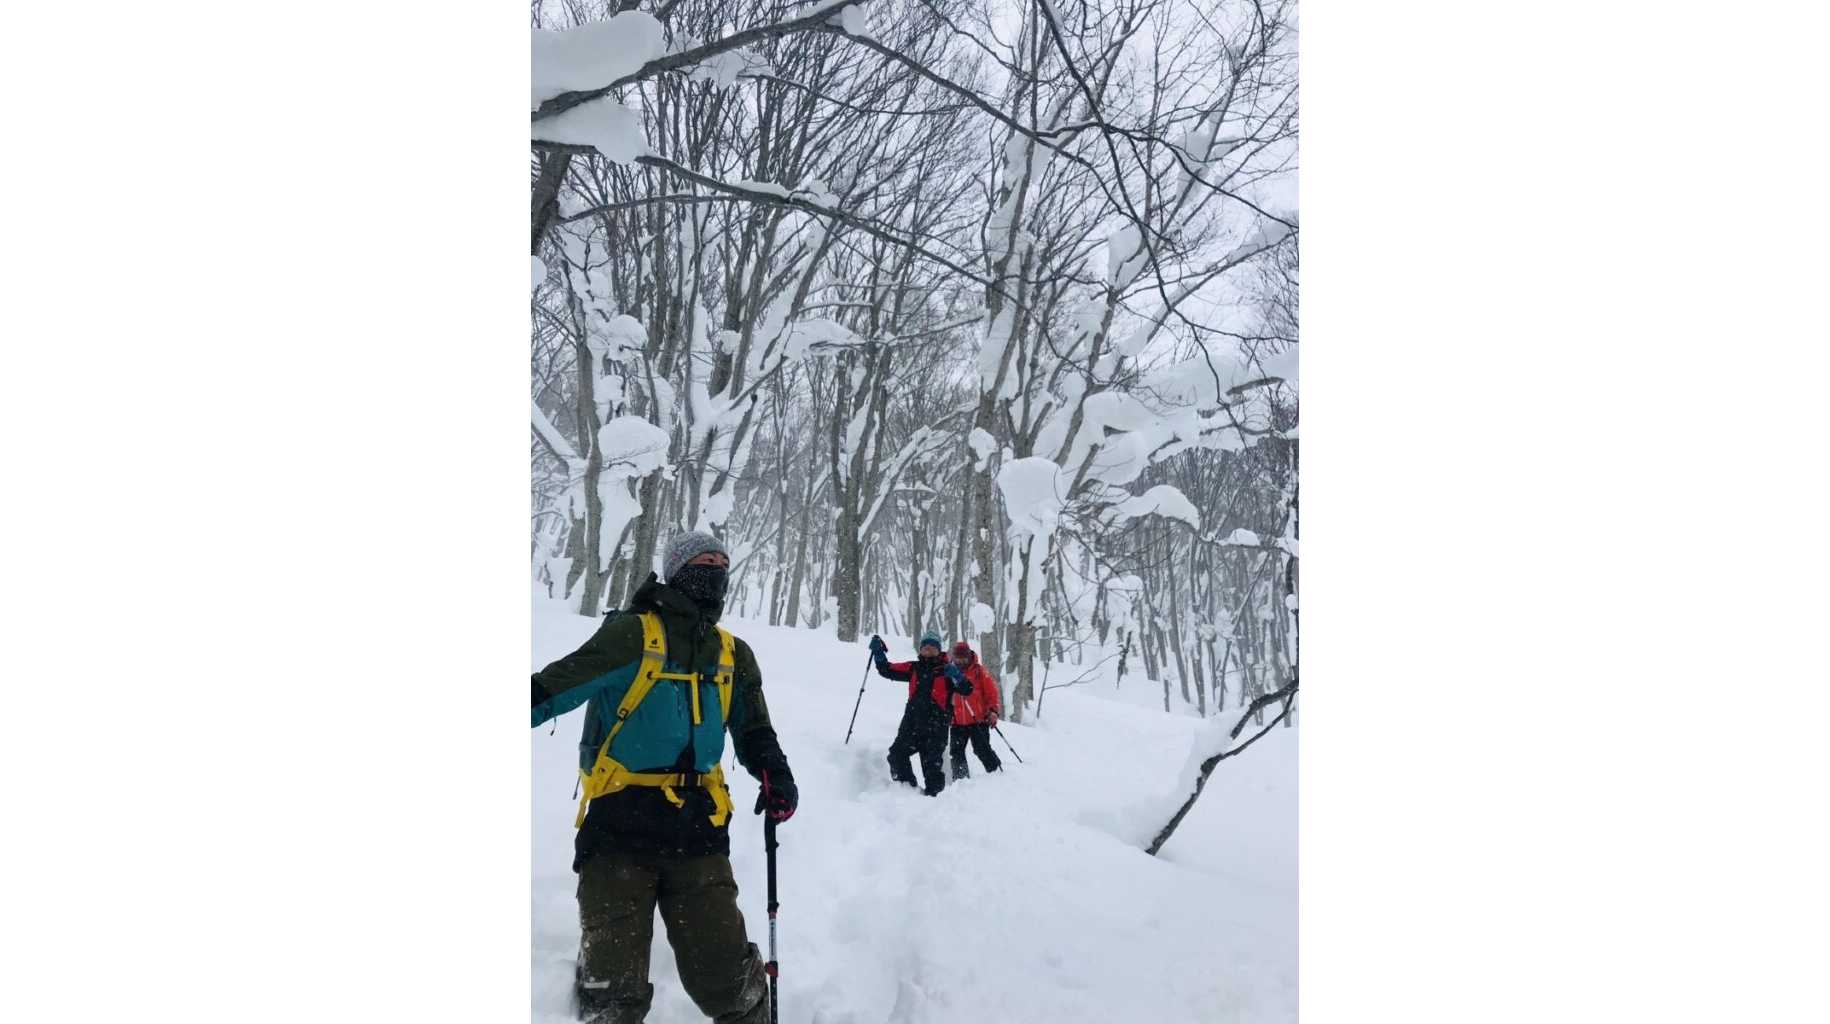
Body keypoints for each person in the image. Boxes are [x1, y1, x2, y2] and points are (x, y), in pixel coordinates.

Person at [532, 531, 797, 1024]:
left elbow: (754, 726)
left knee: (726, 980)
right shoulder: (631, 634)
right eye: (704, 559)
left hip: (697, 830)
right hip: (618, 830)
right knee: (613, 993)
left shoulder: (733, 653)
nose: (716, 567)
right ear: (677, 570)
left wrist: (774, 773)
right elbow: (556, 686)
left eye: (723, 560)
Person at [867, 629, 971, 796]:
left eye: (932, 646)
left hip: (937, 728)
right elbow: (887, 670)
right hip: (911, 724)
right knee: (896, 755)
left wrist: (957, 676)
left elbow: (967, 689)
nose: (928, 649)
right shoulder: (913, 668)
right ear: (920, 649)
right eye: (925, 646)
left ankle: (935, 804)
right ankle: (908, 793)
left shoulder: (947, 670)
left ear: (939, 649)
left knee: (932, 771)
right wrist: (878, 652)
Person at [946, 640, 1003, 779]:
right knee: (956, 751)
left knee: (981, 748)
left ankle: (996, 772)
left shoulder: (979, 671)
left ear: (969, 656)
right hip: (957, 722)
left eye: (963, 658)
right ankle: (961, 779)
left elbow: (992, 693)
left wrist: (993, 711)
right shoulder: (948, 672)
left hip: (979, 719)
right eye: (957, 658)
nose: (960, 661)